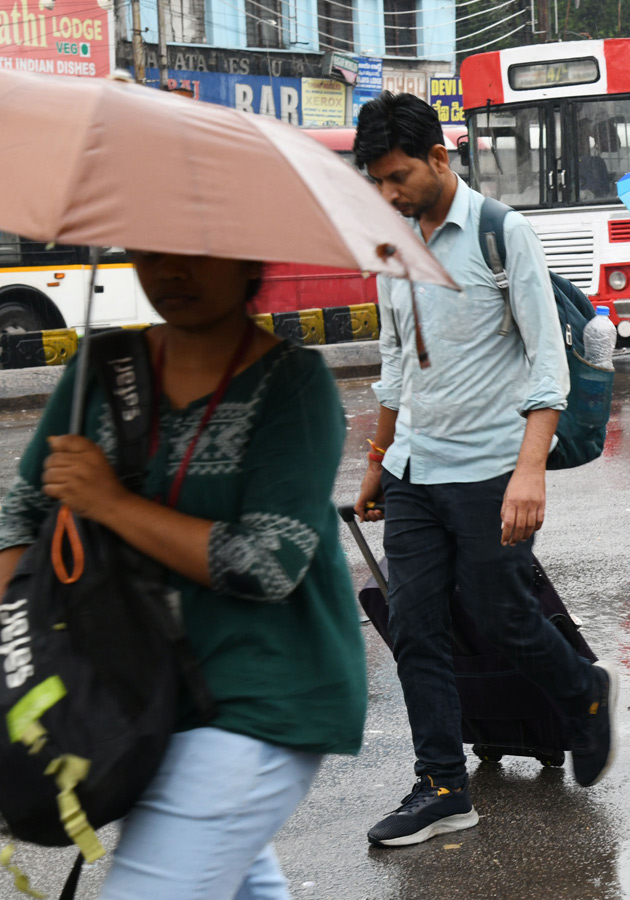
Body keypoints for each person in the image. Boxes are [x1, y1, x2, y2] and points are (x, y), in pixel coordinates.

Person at [0, 251, 368, 898]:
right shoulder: (102, 368)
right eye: (152, 251)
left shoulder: (294, 382)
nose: (171, 271)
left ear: (246, 260)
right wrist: (19, 650)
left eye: (195, 253)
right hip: (138, 693)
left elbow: (268, 563)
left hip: (260, 695)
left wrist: (110, 502)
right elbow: (20, 518)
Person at [351, 92, 618, 847]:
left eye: (398, 176)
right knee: (415, 627)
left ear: (439, 158)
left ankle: (583, 691)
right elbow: (396, 362)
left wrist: (529, 472)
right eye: (377, 182)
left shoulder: (502, 234)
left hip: (489, 469)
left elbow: (546, 362)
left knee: (503, 616)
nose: (388, 194)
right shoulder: (392, 245)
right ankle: (442, 784)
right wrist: (378, 460)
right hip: (413, 470)